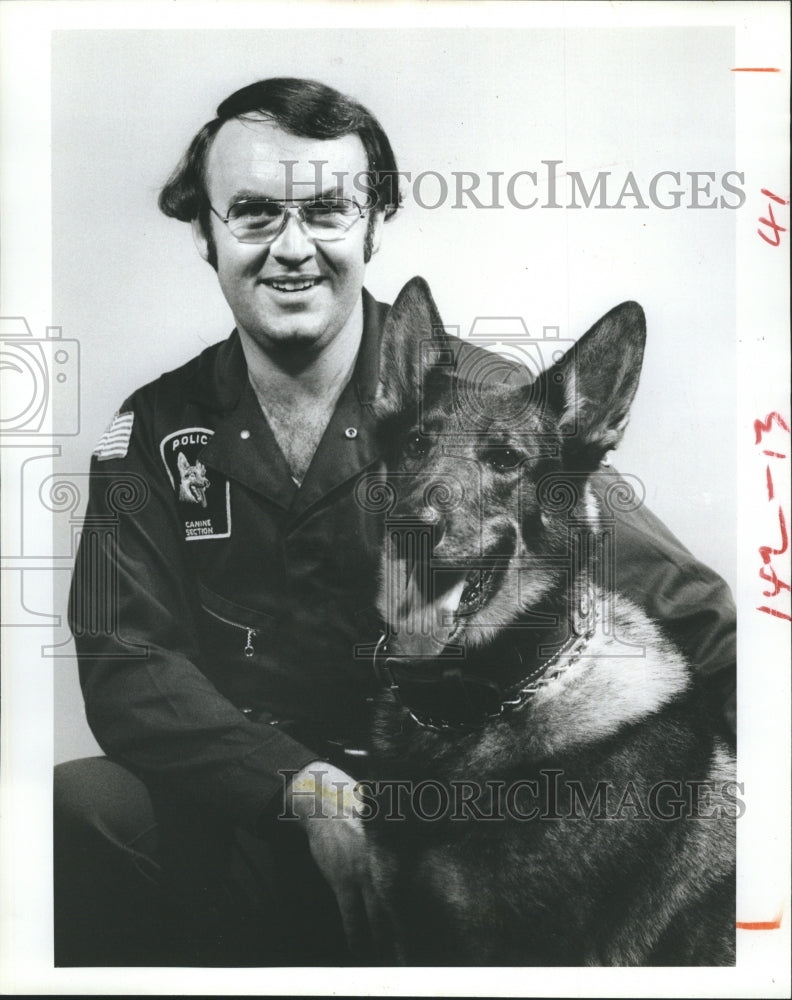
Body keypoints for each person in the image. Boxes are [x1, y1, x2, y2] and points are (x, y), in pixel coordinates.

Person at [55, 77, 736, 967]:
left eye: (329, 211)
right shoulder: (153, 428)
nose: (292, 249)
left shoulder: (493, 413)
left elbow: (699, 617)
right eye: (255, 214)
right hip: (261, 808)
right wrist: (294, 785)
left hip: (461, 825)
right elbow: (125, 658)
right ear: (205, 232)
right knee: (82, 813)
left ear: (374, 225)